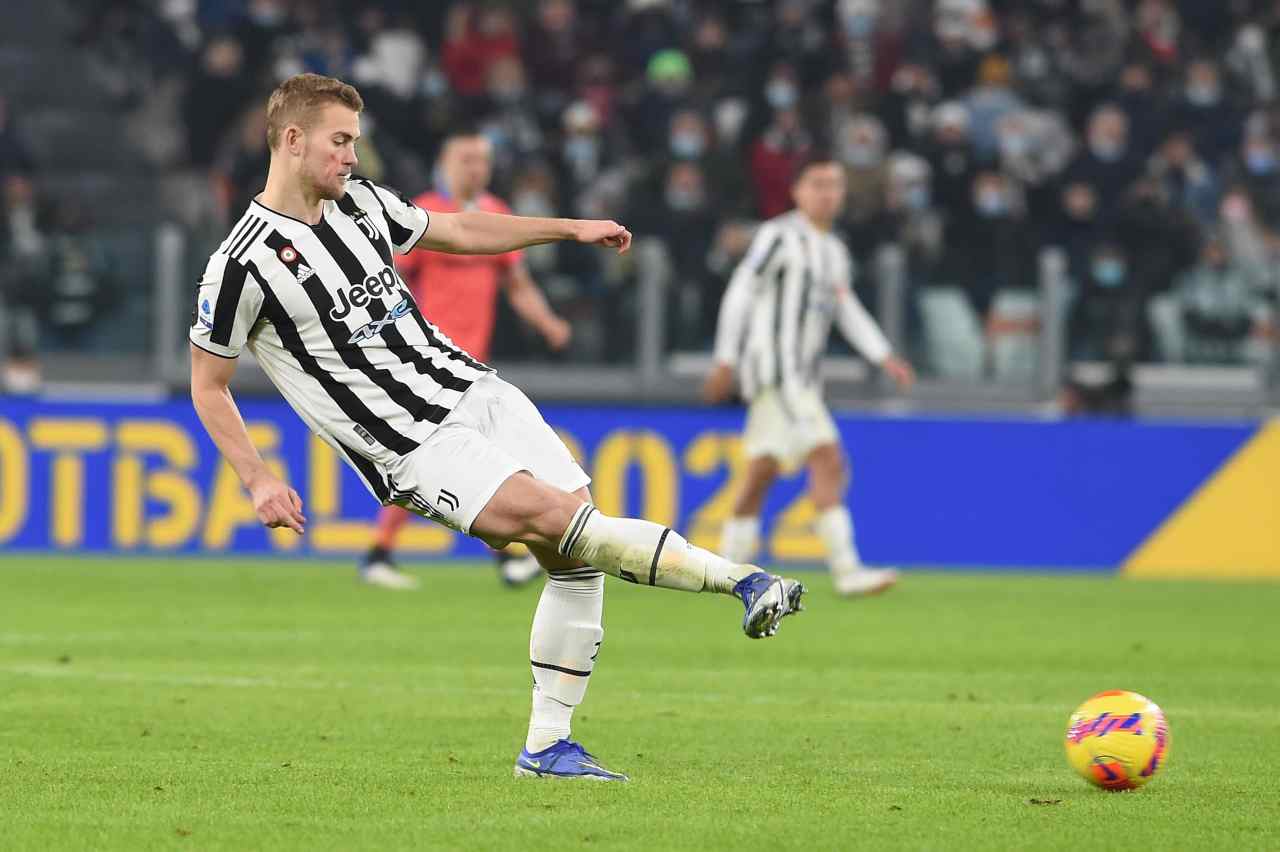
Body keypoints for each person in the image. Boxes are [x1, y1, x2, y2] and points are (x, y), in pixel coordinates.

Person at [188, 73, 806, 782]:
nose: (352, 157)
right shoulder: (240, 265)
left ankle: (547, 747)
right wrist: (257, 478)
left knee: (575, 556)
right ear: (293, 140)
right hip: (413, 444)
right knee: (564, 523)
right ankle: (744, 581)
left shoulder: (359, 203)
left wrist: (569, 229)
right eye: (341, 141)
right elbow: (209, 384)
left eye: (355, 141)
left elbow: (457, 228)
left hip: (478, 390)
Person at [358, 129, 572, 590]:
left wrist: (548, 322)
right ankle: (507, 555)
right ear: (445, 163)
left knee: (461, 460)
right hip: (422, 363)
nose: (476, 168)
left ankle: (382, 553)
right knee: (449, 457)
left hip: (471, 364)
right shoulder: (421, 215)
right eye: (466, 159)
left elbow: (518, 286)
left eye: (482, 160)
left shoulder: (496, 216)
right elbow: (388, 280)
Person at [703, 153, 915, 597]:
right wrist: (725, 358)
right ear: (797, 190)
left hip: (799, 379)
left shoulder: (833, 250)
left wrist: (883, 355)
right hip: (778, 374)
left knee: (761, 473)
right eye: (817, 183)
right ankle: (847, 570)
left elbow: (845, 307)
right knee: (827, 458)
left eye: (834, 184)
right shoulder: (778, 236)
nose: (827, 193)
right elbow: (742, 289)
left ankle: (724, 572)